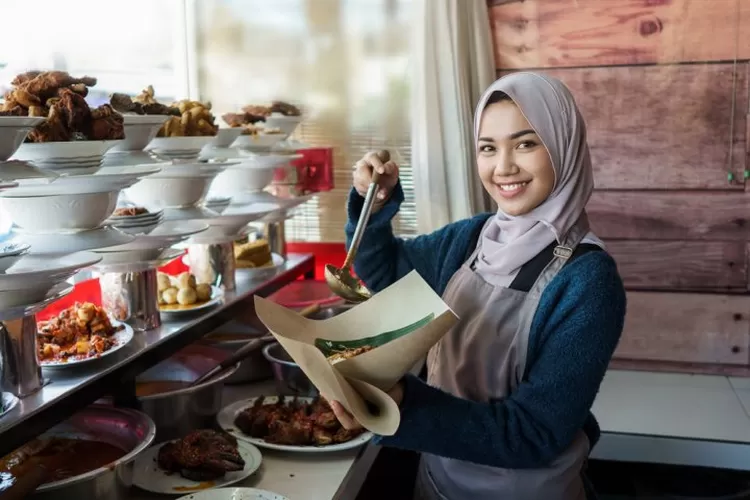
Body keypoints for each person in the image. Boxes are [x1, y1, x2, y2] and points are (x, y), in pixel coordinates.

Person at [328, 72, 627, 500]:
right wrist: (372, 203)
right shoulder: (471, 239)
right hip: (438, 481)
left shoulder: (588, 282)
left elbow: (533, 433)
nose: (503, 167)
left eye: (525, 143)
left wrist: (402, 404)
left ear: (563, 146)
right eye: (488, 148)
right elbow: (386, 270)